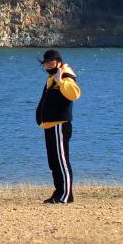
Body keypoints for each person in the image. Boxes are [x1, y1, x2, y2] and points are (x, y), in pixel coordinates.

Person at [35, 49, 81, 204]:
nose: (48, 65)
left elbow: (75, 94)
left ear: (59, 62)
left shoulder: (65, 76)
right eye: (46, 63)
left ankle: (66, 195)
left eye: (51, 62)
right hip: (50, 125)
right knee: (54, 162)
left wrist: (61, 80)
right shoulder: (52, 77)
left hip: (59, 125)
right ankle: (59, 193)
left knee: (61, 161)